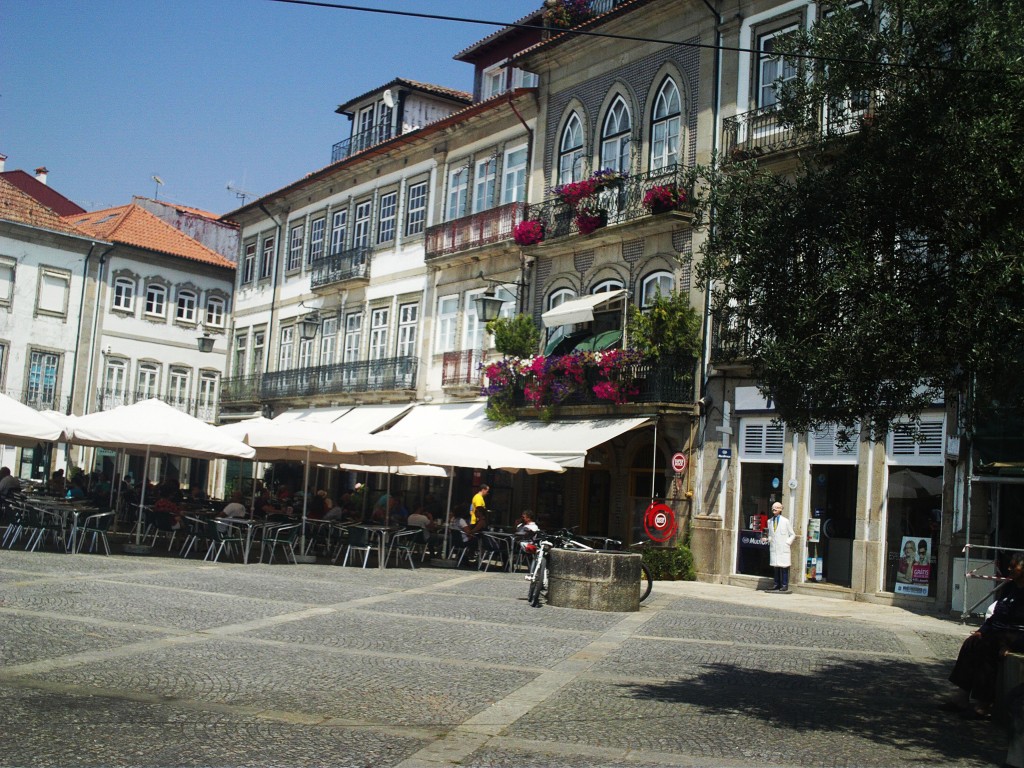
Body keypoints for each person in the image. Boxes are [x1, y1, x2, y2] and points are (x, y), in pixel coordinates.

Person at [941, 553, 1024, 719]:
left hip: (1016, 637)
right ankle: (962, 695)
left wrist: (1012, 645)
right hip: (999, 632)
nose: (1009, 568)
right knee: (972, 643)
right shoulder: (1009, 587)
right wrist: (982, 630)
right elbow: (995, 615)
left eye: (1014, 566)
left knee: (988, 648)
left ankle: (984, 703)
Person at [763, 501, 796, 593]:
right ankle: (776, 584)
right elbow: (770, 535)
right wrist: (767, 539)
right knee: (776, 567)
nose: (774, 509)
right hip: (774, 548)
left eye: (777, 507)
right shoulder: (769, 521)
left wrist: (787, 543)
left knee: (784, 567)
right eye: (773, 507)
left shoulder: (785, 521)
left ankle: (784, 585)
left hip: (783, 547)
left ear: (781, 509)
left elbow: (792, 534)